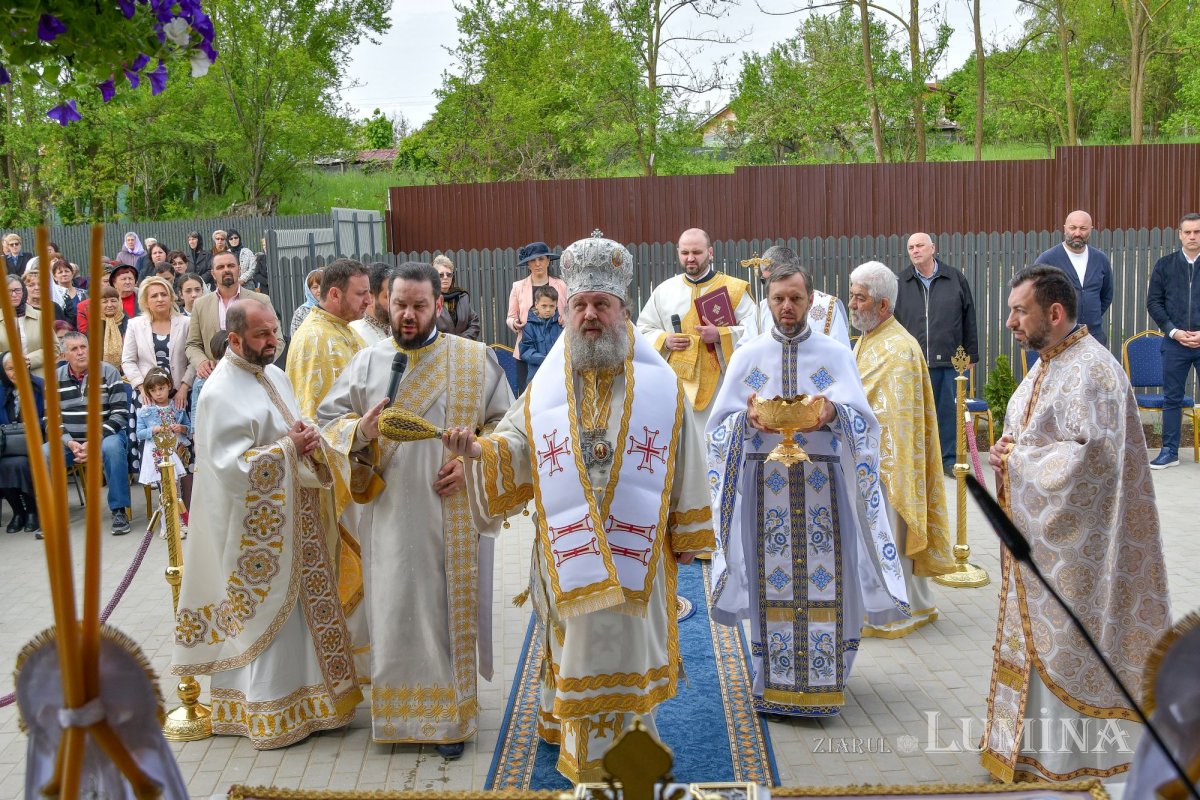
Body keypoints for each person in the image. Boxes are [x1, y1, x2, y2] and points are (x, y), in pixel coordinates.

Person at [444, 233, 714, 781]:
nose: (590, 315)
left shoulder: (658, 383)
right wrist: (479, 451)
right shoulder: (550, 378)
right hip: (569, 543)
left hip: (636, 547)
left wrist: (688, 532)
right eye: (581, 305)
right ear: (567, 312)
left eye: (602, 305)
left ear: (622, 310)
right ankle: (561, 725)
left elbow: (687, 455)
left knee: (625, 647)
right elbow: (517, 439)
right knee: (566, 637)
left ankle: (625, 749)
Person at [983, 265, 1171, 782]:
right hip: (1048, 544)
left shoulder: (1093, 370)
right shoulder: (1048, 363)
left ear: (1055, 313)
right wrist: (1006, 451)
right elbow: (1034, 437)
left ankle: (1075, 759)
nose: (1010, 322)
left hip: (1084, 553)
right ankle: (1029, 752)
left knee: (1072, 642)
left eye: (1019, 311)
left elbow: (1092, 464)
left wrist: (1018, 461)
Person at [318, 261, 513, 756]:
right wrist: (360, 431)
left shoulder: (474, 359)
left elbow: (508, 427)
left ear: (438, 305)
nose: (407, 315)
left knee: (442, 614)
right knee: (393, 611)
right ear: (387, 302)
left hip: (451, 513)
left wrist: (471, 462)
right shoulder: (368, 363)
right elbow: (327, 421)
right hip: (386, 515)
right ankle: (398, 719)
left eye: (419, 306)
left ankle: (450, 721)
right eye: (399, 304)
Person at [705, 259, 909, 718]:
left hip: (824, 488)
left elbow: (867, 427)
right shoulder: (749, 357)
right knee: (769, 585)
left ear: (811, 300)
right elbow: (716, 430)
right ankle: (771, 680)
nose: (787, 306)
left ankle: (825, 677)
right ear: (768, 302)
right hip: (765, 490)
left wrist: (834, 413)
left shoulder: (835, 356)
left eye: (795, 298)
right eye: (778, 298)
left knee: (829, 580)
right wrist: (747, 420)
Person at [172, 298, 361, 749]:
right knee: (268, 618)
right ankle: (270, 712)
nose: (273, 341)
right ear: (235, 339)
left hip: (297, 519)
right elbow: (231, 469)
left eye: (274, 330)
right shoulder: (218, 392)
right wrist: (290, 448)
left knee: (303, 619)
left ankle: (318, 706)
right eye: (261, 335)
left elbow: (292, 426)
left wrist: (309, 438)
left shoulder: (274, 374)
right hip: (255, 536)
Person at [848, 261, 955, 637]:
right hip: (868, 460)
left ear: (883, 305)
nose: (852, 305)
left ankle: (894, 608)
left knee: (888, 533)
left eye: (859, 298)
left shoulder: (899, 350)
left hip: (889, 467)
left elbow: (893, 418)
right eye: (852, 296)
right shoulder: (868, 338)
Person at [637, 227, 757, 429]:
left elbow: (756, 331)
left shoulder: (733, 289)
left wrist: (720, 335)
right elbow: (643, 330)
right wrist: (664, 340)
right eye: (685, 253)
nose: (690, 258)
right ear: (678, 253)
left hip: (720, 385)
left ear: (710, 252)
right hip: (676, 384)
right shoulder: (664, 291)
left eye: (697, 252)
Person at [893, 232, 979, 476]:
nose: (915, 250)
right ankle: (918, 461)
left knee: (948, 413)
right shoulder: (900, 283)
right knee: (914, 414)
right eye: (911, 247)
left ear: (932, 248)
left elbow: (969, 316)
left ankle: (949, 459)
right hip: (913, 363)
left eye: (920, 245)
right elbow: (892, 323)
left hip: (950, 360)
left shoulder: (955, 278)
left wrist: (971, 354)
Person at [49, 332, 133, 535]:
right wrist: (69, 442)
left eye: (83, 347)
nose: (80, 352)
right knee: (44, 454)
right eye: (74, 349)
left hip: (106, 436)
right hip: (71, 442)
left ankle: (119, 511)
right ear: (64, 355)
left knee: (113, 448)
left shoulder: (108, 371)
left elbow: (120, 414)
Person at [1146, 212, 1200, 469]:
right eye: (1187, 232)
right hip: (1174, 343)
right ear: (1179, 234)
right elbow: (1154, 302)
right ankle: (1170, 451)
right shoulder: (1164, 265)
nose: (1192, 236)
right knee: (1172, 398)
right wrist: (1173, 331)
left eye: (1197, 232)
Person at [286, 259, 370, 419]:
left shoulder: (347, 328)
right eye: (361, 294)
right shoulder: (312, 339)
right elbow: (310, 416)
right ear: (335, 295)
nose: (368, 301)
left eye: (368, 293)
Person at [185, 251, 269, 407]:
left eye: (231, 265)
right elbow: (192, 344)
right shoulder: (200, 305)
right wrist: (202, 362)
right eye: (220, 267)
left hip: (252, 379)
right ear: (213, 273)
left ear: (239, 269)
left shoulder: (260, 300)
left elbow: (276, 340)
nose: (226, 270)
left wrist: (257, 363)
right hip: (213, 380)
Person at [1034, 210, 1114, 347]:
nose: (1077, 233)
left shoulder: (1101, 260)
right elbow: (1034, 297)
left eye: (1083, 228)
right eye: (1073, 228)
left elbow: (1106, 295)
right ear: (1065, 228)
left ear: (1091, 229)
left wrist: (1091, 314)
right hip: (1058, 340)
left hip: (1093, 338)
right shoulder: (1047, 260)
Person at [750, 245, 850, 348]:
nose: (768, 287)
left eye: (772, 280)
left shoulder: (829, 306)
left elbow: (841, 350)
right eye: (764, 281)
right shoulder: (761, 309)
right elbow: (746, 347)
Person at [122, 276, 193, 408]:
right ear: (146, 301)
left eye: (164, 294)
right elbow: (128, 361)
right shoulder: (135, 325)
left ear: (171, 298)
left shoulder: (187, 323)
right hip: (146, 396)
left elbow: (193, 360)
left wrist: (184, 388)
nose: (160, 299)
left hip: (181, 395)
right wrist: (143, 388)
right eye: (154, 296)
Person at [507, 242, 567, 392]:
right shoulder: (518, 287)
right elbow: (510, 316)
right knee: (527, 395)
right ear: (528, 264)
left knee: (556, 393)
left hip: (555, 352)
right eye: (533, 260)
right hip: (527, 353)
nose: (537, 263)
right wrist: (515, 323)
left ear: (548, 260)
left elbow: (571, 312)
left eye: (541, 259)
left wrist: (567, 319)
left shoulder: (562, 285)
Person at [0, 352, 43, 533]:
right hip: (6, 446)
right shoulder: (1, 390)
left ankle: (32, 511)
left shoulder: (40, 386)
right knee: (3, 464)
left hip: (35, 442)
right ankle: (18, 511)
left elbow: (49, 417)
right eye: (10, 369)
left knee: (21, 463)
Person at [134, 367, 191, 488]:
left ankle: (177, 500)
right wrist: (153, 430)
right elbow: (140, 433)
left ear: (169, 386)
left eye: (161, 388)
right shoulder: (146, 410)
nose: (158, 393)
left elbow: (189, 428)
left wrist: (181, 428)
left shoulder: (177, 406)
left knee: (176, 483)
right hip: (157, 451)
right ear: (148, 392)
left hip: (176, 449)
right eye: (153, 390)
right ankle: (165, 500)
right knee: (165, 483)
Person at [0, 276, 46, 379]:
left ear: (24, 291)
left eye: (17, 290)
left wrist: (28, 360)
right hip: (5, 379)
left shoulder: (39, 316)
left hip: (37, 377)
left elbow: (54, 348)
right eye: (9, 291)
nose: (14, 295)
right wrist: (10, 361)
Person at [517, 284, 561, 381]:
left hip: (558, 375)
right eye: (544, 306)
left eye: (551, 306)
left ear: (556, 305)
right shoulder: (529, 326)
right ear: (536, 304)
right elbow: (525, 351)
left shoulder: (561, 325)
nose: (548, 310)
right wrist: (546, 359)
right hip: (536, 375)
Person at [434, 254, 480, 340]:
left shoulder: (461, 296)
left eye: (449, 274)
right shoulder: (430, 299)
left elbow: (474, 323)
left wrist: (462, 340)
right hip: (439, 346)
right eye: (441, 275)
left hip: (463, 345)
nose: (445, 277)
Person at [349, 262, 392, 346]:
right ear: (370, 297)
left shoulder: (400, 330)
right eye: (389, 296)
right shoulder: (356, 334)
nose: (397, 304)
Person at [95, 286, 129, 368]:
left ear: (119, 302)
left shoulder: (128, 323)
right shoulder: (94, 325)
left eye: (113, 301)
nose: (109, 305)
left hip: (127, 369)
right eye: (105, 302)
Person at [52, 256, 86, 328]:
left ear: (72, 274)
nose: (64, 274)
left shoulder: (84, 293)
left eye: (67, 271)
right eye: (60, 272)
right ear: (54, 277)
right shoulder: (53, 296)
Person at [290, 269, 323, 336]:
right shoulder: (301, 312)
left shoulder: (335, 309)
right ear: (308, 290)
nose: (320, 290)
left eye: (323, 286)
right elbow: (295, 337)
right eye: (315, 287)